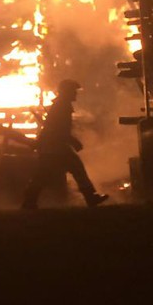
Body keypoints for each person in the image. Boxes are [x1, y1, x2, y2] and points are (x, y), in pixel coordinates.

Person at [22, 79, 109, 210]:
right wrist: (72, 141)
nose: (75, 94)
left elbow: (56, 128)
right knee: (72, 169)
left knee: (45, 174)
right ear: (66, 92)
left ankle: (29, 201)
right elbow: (59, 129)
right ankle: (90, 197)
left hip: (53, 146)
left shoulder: (61, 105)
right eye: (73, 91)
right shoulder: (62, 106)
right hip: (55, 146)